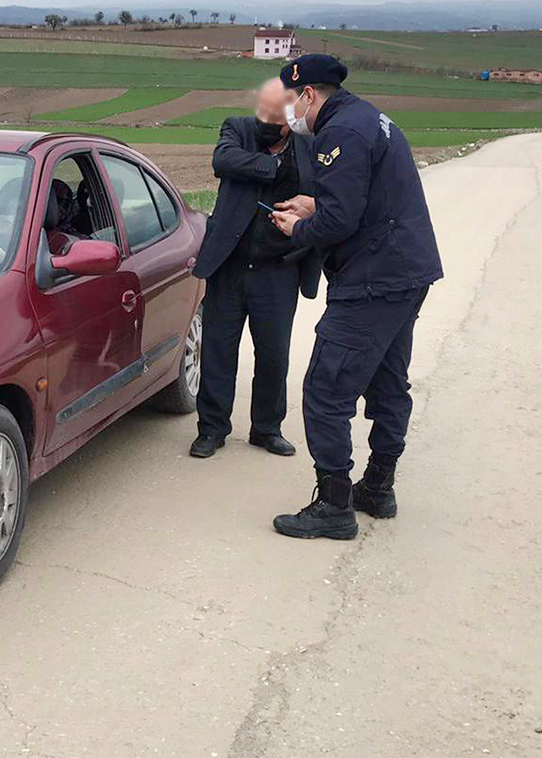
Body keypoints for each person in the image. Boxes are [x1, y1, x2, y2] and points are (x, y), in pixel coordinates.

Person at [269, 54, 444, 540]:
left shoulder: (340, 132)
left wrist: (299, 225)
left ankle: (333, 505)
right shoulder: (369, 118)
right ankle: (378, 487)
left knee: (326, 392)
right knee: (388, 383)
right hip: (405, 273)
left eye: (290, 100)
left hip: (373, 279)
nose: (288, 112)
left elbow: (340, 221)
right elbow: (358, 200)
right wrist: (317, 203)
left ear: (308, 94)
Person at [188, 78, 321, 459]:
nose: (265, 118)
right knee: (218, 349)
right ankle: (212, 429)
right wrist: (274, 166)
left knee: (274, 354)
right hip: (229, 266)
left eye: (275, 113)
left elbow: (324, 193)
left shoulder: (309, 145)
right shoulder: (237, 130)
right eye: (263, 109)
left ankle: (266, 429)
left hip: (279, 268)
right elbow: (224, 160)